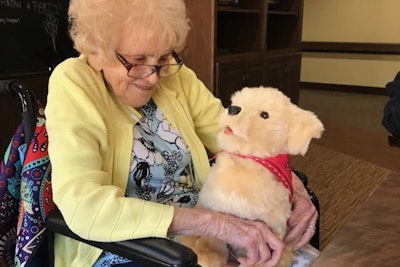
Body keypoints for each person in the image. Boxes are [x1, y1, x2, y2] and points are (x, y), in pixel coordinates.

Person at [45, 0, 318, 266]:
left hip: (203, 235)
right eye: (138, 61)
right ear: (97, 52)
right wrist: (217, 224)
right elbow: (84, 208)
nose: (153, 77)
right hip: (124, 246)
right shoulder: (73, 82)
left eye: (163, 59)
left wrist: (291, 184)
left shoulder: (177, 77)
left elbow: (238, 136)